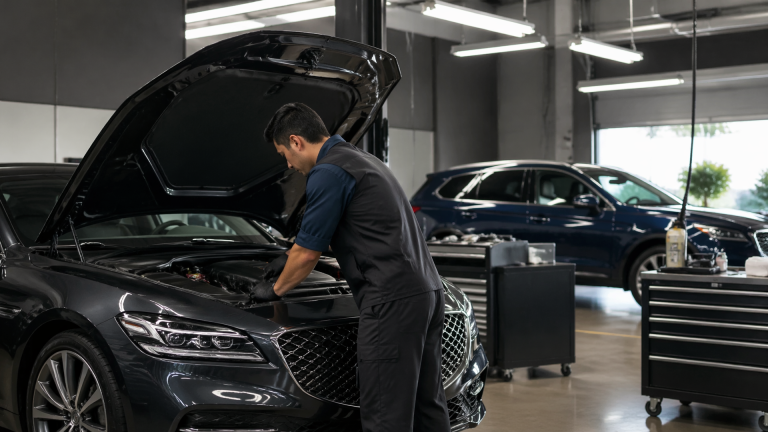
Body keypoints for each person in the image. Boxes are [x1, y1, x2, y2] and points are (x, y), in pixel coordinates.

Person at [252, 102, 450, 432]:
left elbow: (307, 256)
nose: (287, 164)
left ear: (296, 141)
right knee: (426, 406)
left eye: (284, 154)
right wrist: (290, 255)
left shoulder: (328, 171)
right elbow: (360, 229)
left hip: (391, 301)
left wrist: (274, 289)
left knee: (385, 414)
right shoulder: (362, 160)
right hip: (427, 293)